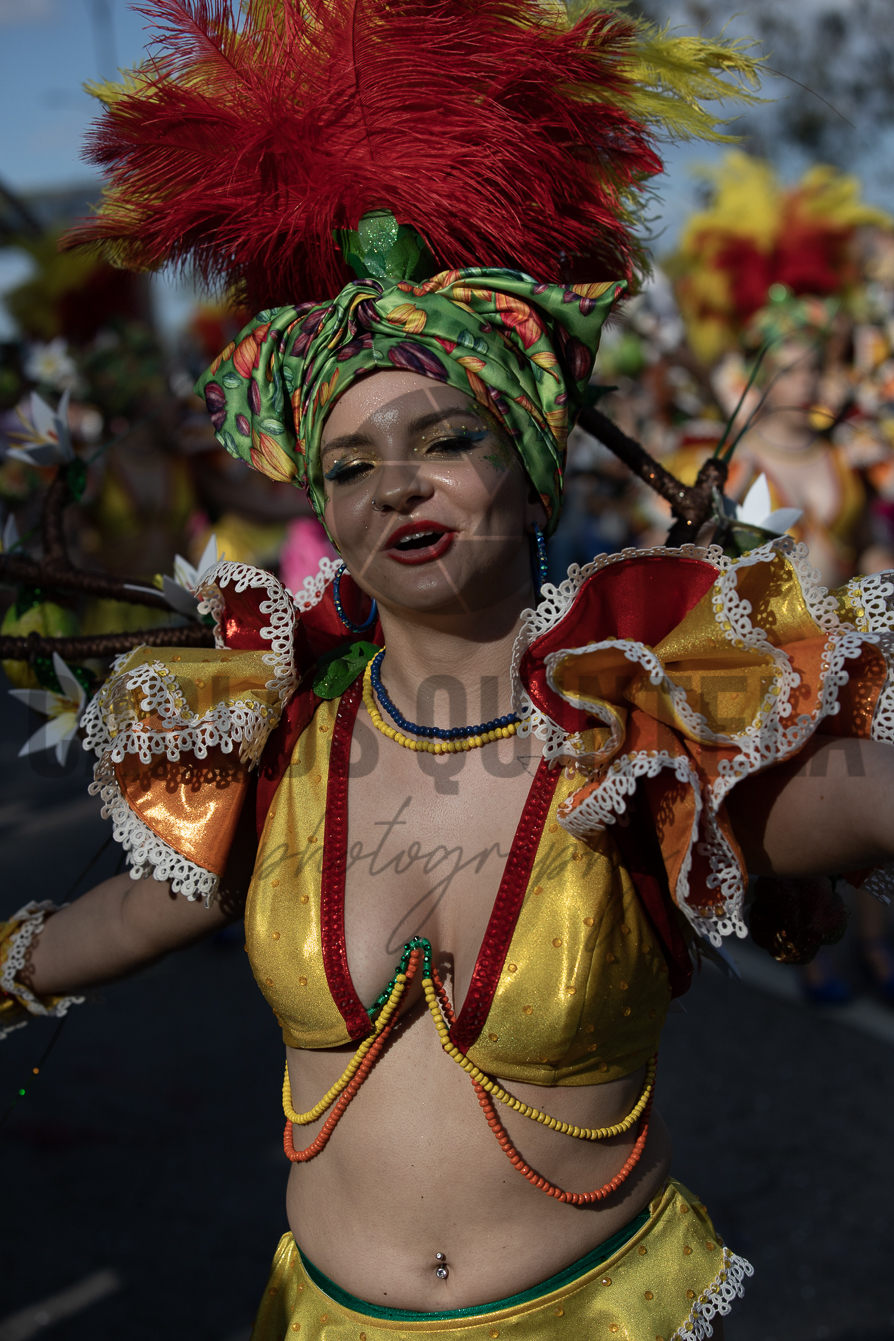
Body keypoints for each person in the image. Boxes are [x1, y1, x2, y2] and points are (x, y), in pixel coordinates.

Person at [2, 3, 893, 1339]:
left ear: (529, 465)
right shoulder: (273, 730)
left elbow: (858, 792)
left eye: (447, 439)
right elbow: (139, 914)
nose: (396, 487)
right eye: (350, 463)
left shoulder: (640, 724)